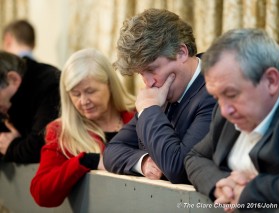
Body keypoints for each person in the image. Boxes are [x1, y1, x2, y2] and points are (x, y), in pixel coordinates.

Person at [185, 28, 279, 212]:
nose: (224, 110)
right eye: (217, 97)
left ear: (271, 81)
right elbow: (195, 157)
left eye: (231, 94)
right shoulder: (226, 113)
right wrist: (221, 183)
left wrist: (250, 192)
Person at [103, 8, 216, 184]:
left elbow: (179, 168)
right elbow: (112, 151)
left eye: (151, 70)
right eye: (141, 74)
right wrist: (144, 162)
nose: (148, 83)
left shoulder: (215, 90)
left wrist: (150, 110)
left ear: (181, 52)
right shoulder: (161, 92)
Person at [30, 48, 135, 207]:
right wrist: (86, 161)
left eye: (90, 91)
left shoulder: (138, 116)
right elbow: (41, 193)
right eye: (76, 94)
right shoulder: (61, 132)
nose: (84, 101)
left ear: (109, 84)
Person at [0, 51, 60, 163]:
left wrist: (12, 146)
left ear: (13, 79)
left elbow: (40, 147)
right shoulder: (9, 101)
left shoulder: (49, 87)